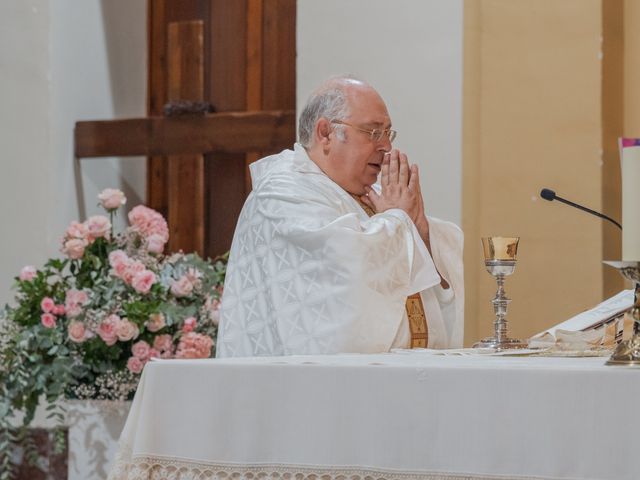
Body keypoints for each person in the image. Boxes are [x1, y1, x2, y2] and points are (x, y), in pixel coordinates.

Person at [216, 75, 463, 357]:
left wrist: (421, 235)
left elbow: (421, 277)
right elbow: (345, 275)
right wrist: (397, 222)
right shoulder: (281, 194)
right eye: (372, 132)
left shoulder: (373, 193)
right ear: (325, 133)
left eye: (388, 133)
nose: (386, 147)